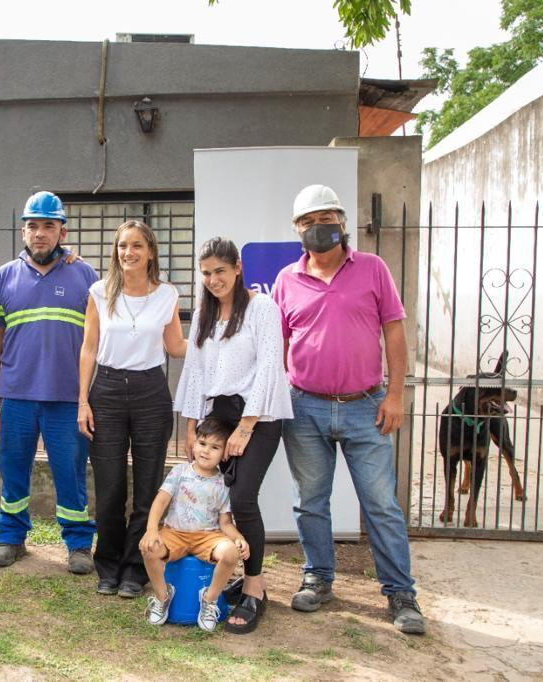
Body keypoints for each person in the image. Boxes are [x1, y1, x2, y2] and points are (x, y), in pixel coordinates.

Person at [273, 184, 425, 634]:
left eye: (325, 219)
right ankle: (318, 579)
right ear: (297, 230)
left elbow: (394, 332)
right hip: (304, 408)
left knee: (380, 505)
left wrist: (395, 395)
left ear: (341, 223)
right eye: (307, 222)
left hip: (367, 407)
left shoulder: (373, 269)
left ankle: (401, 594)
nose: (317, 229)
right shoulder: (286, 280)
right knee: (310, 503)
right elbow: (278, 344)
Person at [173, 236, 293, 634]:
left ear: (238, 267)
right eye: (206, 273)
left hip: (258, 415)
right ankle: (227, 574)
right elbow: (193, 373)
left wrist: (246, 426)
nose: (212, 280)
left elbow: (270, 367)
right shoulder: (206, 313)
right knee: (219, 497)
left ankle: (256, 588)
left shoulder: (261, 307)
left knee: (242, 497)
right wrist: (191, 428)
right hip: (217, 416)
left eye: (219, 271)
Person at [0, 191, 98, 574]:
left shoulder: (85, 275)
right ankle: (11, 537)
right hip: (17, 394)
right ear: (23, 232)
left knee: (70, 472)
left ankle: (79, 544)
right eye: (33, 226)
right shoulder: (2, 278)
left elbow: (96, 339)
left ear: (62, 231)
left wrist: (87, 394)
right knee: (13, 469)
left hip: (67, 397)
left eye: (49, 225)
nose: (40, 233)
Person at [77, 220, 186, 598]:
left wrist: (219, 336)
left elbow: (175, 347)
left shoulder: (167, 295)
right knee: (109, 488)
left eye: (137, 246)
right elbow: (89, 348)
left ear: (151, 252)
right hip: (105, 390)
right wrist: (82, 401)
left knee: (148, 488)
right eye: (123, 246)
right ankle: (107, 565)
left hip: (150, 393)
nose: (129, 252)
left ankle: (136, 569)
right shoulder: (99, 292)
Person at [139, 417, 249, 633]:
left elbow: (225, 522)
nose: (206, 451)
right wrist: (151, 530)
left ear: (225, 452)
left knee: (230, 553)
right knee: (148, 548)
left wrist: (238, 538)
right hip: (174, 533)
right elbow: (160, 501)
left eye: (215, 447)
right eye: (202, 443)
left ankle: (209, 599)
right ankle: (162, 596)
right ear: (194, 443)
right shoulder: (180, 471)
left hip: (207, 537)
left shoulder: (223, 483)